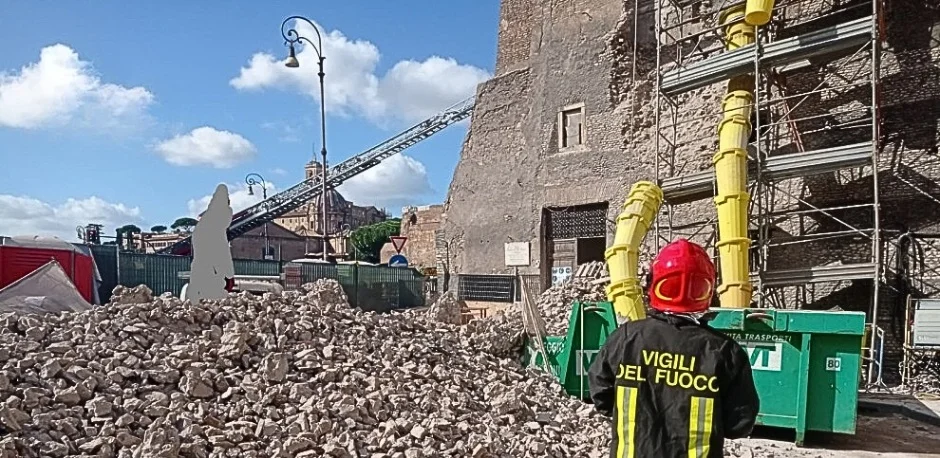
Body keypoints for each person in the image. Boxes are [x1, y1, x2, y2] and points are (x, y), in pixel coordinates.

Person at [588, 238, 759, 458]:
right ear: (707, 289)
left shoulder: (626, 338)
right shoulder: (725, 352)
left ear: (654, 285)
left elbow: (600, 396)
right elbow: (739, 424)